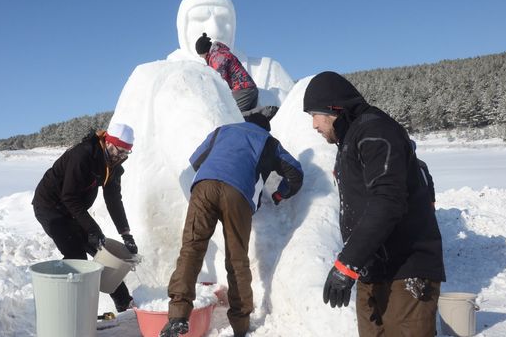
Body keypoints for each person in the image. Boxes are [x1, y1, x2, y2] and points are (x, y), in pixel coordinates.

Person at [302, 71, 445, 336]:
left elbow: (387, 200)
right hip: (371, 269)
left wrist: (347, 263)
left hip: (405, 268)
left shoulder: (375, 131)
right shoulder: (350, 140)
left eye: (314, 114)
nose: (313, 125)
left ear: (333, 108)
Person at [159, 113, 304, 337]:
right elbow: (295, 173)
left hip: (203, 187)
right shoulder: (269, 142)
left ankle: (178, 316)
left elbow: (196, 160)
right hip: (237, 194)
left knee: (192, 249)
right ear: (266, 129)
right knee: (236, 259)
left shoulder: (223, 130)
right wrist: (279, 194)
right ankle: (240, 324)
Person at [32, 122, 139, 313]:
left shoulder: (113, 164)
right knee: (76, 256)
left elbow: (114, 200)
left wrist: (126, 234)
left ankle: (124, 302)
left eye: (126, 153)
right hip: (50, 207)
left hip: (73, 208)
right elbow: (69, 196)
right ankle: (73, 312)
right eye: (119, 151)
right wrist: (92, 229)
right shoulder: (83, 155)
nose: (121, 156)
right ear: (108, 142)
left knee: (101, 250)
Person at [196, 32, 259, 113]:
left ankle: (264, 112)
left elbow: (220, 82)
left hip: (242, 90)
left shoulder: (217, 57)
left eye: (200, 55)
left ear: (205, 52)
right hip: (249, 89)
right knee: (246, 121)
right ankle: (259, 115)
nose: (201, 57)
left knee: (232, 115)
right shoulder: (220, 52)